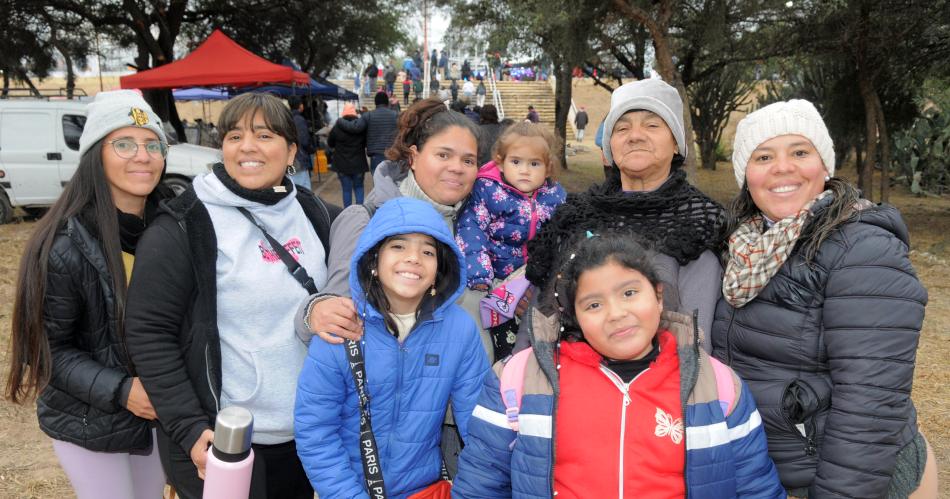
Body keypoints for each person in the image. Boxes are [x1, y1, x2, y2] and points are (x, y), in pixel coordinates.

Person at [712, 99, 938, 498]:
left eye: (800, 152)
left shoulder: (862, 249)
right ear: (745, 175)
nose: (783, 167)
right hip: (764, 474)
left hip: (835, 477)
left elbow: (869, 405)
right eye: (764, 156)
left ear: (825, 166)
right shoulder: (743, 247)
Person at [453, 232, 785, 498]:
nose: (616, 314)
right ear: (574, 317)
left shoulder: (716, 384)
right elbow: (480, 485)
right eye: (594, 304)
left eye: (629, 293)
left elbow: (755, 487)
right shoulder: (520, 379)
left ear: (657, 295)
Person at [124, 93, 340, 499]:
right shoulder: (185, 224)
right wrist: (189, 428)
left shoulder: (315, 214)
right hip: (226, 443)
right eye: (235, 135)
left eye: (264, 135)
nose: (247, 147)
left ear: (292, 150)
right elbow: (149, 334)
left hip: (310, 436)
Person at [4, 89, 171, 498]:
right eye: (124, 143)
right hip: (90, 420)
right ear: (96, 154)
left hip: (160, 414)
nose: (142, 155)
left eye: (153, 144)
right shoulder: (62, 245)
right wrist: (122, 390)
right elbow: (48, 350)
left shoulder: (173, 228)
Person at [295, 197, 489, 497]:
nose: (413, 258)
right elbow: (316, 433)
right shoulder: (342, 325)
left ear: (439, 268)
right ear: (374, 260)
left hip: (423, 490)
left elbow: (479, 430)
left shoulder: (459, 329)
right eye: (398, 246)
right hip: (345, 490)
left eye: (427, 251)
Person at [526, 79, 726, 349]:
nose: (635, 136)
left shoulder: (700, 221)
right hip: (562, 374)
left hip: (657, 383)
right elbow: (541, 313)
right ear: (610, 145)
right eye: (621, 128)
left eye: (652, 125)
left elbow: (695, 341)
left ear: (676, 143)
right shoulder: (573, 215)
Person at [456, 122, 566, 360]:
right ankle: (499, 370)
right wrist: (479, 271)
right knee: (499, 335)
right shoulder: (489, 191)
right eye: (516, 162)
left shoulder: (555, 195)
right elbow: (471, 228)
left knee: (535, 335)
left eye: (534, 164)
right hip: (497, 278)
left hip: (536, 280)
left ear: (547, 169)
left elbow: (565, 232)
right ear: (501, 162)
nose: (524, 170)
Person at [335, 91, 399, 174]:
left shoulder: (369, 115)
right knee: (393, 182)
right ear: (387, 102)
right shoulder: (396, 115)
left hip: (376, 155)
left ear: (375, 103)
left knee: (378, 183)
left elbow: (354, 127)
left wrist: (340, 121)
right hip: (392, 154)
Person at [328, 103, 369, 207]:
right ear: (354, 112)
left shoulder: (337, 126)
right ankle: (360, 212)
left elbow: (330, 143)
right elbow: (366, 143)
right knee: (359, 187)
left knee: (346, 190)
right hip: (358, 164)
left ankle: (347, 214)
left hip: (342, 165)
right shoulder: (361, 126)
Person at [289, 97, 316, 189]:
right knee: (303, 189)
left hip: (290, 159)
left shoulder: (287, 118)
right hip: (299, 159)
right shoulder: (299, 120)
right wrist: (312, 149)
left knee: (293, 187)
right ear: (300, 106)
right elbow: (304, 140)